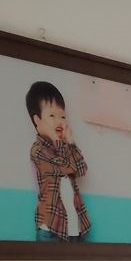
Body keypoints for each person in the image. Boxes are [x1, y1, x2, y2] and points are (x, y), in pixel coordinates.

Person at [26, 81, 91, 241]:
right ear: (37, 120)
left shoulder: (65, 147)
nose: (59, 121)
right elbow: (65, 167)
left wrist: (71, 142)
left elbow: (81, 169)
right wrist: (57, 140)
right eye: (52, 116)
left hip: (75, 228)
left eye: (62, 116)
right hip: (51, 229)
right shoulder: (37, 150)